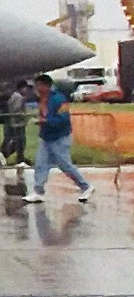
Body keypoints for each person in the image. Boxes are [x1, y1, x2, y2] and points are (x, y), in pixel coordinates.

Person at [24, 73, 92, 203]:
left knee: (65, 165)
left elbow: (64, 118)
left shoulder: (60, 99)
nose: (35, 89)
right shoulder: (42, 99)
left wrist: (45, 121)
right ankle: (38, 191)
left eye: (38, 86)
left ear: (46, 86)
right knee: (41, 163)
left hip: (60, 137)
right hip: (46, 137)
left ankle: (86, 186)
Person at [0, 83, 28, 169]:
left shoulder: (14, 96)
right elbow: (16, 109)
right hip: (17, 123)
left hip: (12, 123)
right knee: (19, 142)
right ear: (22, 88)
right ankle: (17, 160)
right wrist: (24, 115)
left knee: (11, 142)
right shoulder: (19, 97)